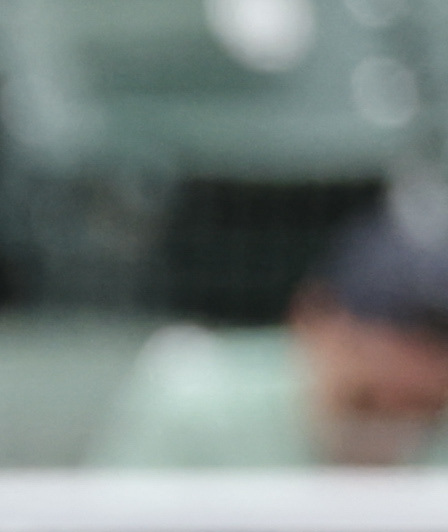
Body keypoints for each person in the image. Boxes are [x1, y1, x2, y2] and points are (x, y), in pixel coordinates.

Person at [90, 200, 448, 472]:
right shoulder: (193, 401)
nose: (395, 424)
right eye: (370, 402)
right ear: (314, 317)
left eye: (423, 407)